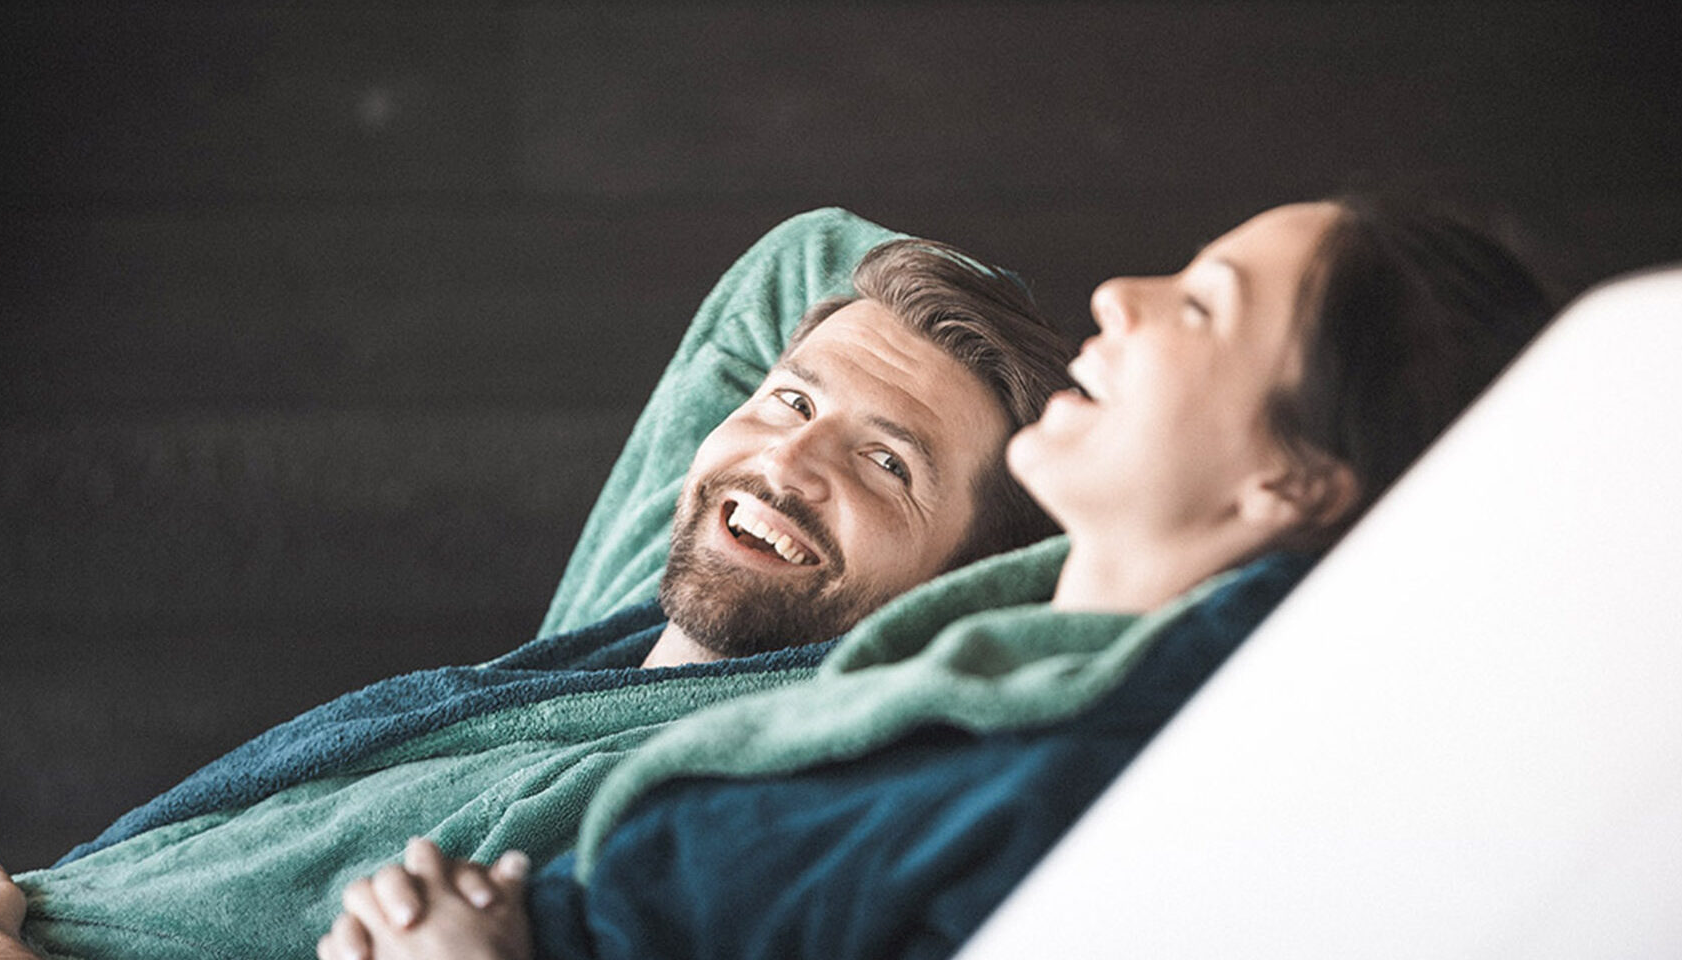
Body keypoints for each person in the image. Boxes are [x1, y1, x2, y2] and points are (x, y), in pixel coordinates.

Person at [312, 194, 1557, 960]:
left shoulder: (1102, 783)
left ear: (1292, 482)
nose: (1119, 296)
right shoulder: (1006, 657)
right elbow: (811, 262)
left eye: (1203, 308)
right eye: (789, 400)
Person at [0, 211, 1075, 960]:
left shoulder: (705, 807)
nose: (785, 463)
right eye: (792, 399)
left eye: (887, 462)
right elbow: (807, 259)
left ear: (973, 584)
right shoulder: (626, 633)